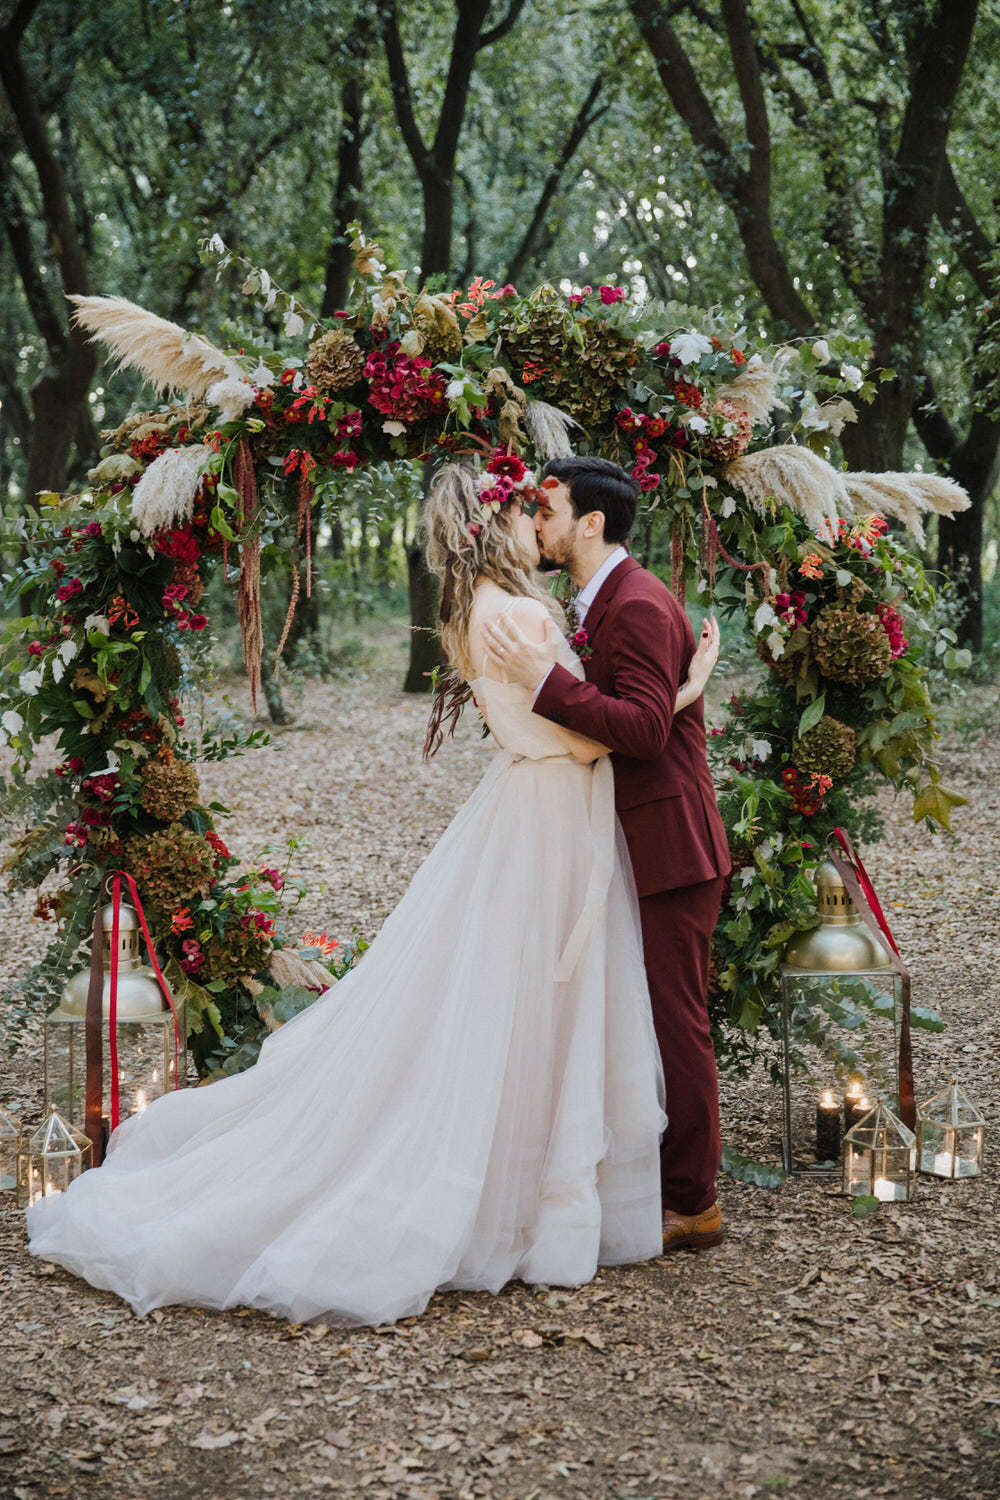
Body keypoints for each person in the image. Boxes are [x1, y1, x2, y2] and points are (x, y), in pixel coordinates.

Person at [27, 462, 716, 1327]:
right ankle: (538, 1184)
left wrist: (676, 690)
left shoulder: (481, 613)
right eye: (523, 510)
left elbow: (612, 717)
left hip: (530, 818)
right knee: (531, 1002)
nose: (535, 521)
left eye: (544, 508)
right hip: (549, 817)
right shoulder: (525, 616)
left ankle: (571, 1175)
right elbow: (586, 743)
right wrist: (676, 694)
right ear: (490, 528)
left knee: (512, 1000)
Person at [483, 456, 731, 1252]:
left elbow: (645, 729)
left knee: (674, 1022)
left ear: (592, 522)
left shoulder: (638, 605)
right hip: (628, 836)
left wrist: (545, 680)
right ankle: (643, 1177)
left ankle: (693, 1201)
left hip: (669, 844)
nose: (537, 521)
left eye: (547, 509)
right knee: (646, 1018)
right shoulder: (600, 600)